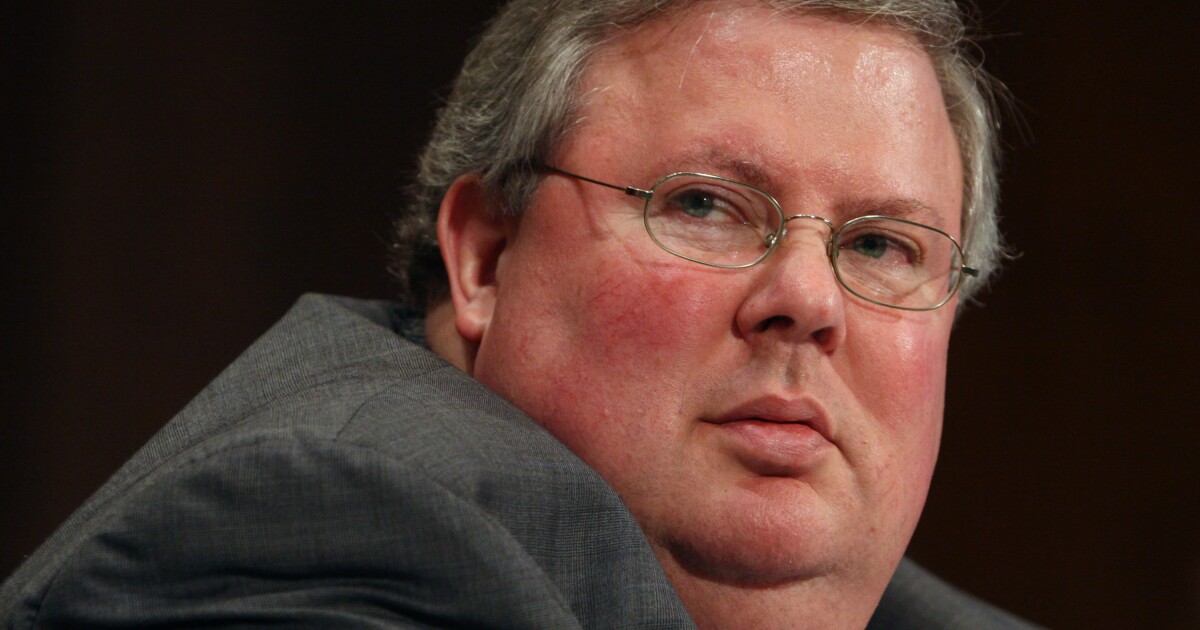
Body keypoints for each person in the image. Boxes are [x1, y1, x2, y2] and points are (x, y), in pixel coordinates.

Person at [1, 0, 1037, 628]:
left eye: (880, 246)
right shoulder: (331, 538)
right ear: (486, 258)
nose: (808, 301)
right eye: (705, 206)